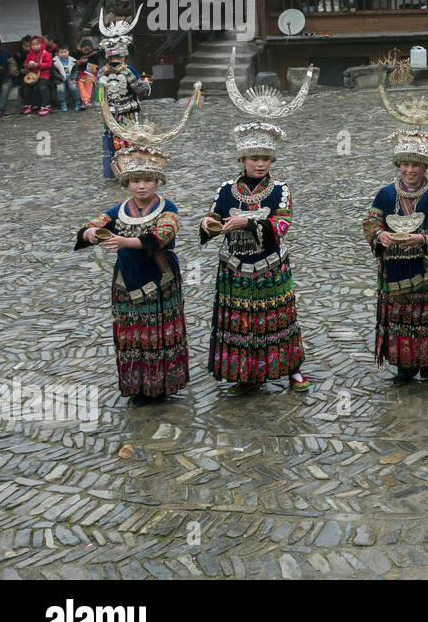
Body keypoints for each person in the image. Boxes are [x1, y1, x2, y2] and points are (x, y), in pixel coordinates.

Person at [75, 85, 201, 404]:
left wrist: (124, 241)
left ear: (157, 181)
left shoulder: (167, 208)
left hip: (160, 281)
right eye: (134, 180)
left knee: (158, 331)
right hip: (127, 283)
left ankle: (161, 384)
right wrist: (91, 234)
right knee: (132, 333)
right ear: (126, 183)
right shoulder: (119, 210)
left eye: (147, 179)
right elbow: (94, 225)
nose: (141, 185)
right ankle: (137, 386)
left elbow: (162, 235)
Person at [203, 54, 318, 396]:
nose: (259, 163)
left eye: (265, 158)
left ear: (272, 160)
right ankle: (245, 373)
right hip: (235, 266)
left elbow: (282, 225)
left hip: (270, 264)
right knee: (242, 323)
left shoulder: (280, 189)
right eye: (253, 158)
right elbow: (211, 219)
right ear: (242, 159)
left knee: (278, 320)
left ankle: (291, 369)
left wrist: (247, 222)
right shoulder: (226, 189)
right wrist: (209, 223)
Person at [365, 71, 428, 386]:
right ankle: (405, 366)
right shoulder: (386, 193)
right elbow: (370, 220)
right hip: (394, 269)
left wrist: (425, 237)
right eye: (405, 164)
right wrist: (379, 234)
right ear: (398, 165)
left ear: (426, 167)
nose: (409, 170)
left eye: (416, 165)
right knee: (402, 318)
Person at [95, 11, 151, 179]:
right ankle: (134, 169)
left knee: (114, 142)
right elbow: (141, 91)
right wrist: (147, 84)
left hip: (110, 115)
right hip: (130, 113)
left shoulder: (100, 73)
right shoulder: (129, 71)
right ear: (123, 54)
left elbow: (101, 96)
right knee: (132, 140)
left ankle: (115, 171)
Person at [21, 34, 52, 115]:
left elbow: (49, 65)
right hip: (33, 75)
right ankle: (28, 105)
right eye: (33, 45)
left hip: (44, 74)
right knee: (25, 86)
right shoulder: (30, 54)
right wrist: (29, 65)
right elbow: (26, 64)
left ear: (42, 44)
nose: (35, 47)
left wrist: (37, 65)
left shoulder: (46, 53)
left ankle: (46, 105)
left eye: (37, 44)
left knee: (42, 87)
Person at [51, 44, 80, 112]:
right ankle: (63, 103)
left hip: (70, 77)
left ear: (68, 52)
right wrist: (60, 77)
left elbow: (76, 70)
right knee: (60, 88)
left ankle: (77, 101)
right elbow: (53, 71)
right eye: (61, 52)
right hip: (60, 78)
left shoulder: (72, 60)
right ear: (57, 53)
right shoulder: (55, 61)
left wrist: (74, 77)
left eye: (65, 52)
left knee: (73, 87)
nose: (63, 54)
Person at [0, 41, 17, 119]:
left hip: (6, 78)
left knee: (5, 88)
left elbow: (13, 66)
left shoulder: (4, 52)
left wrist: (12, 74)